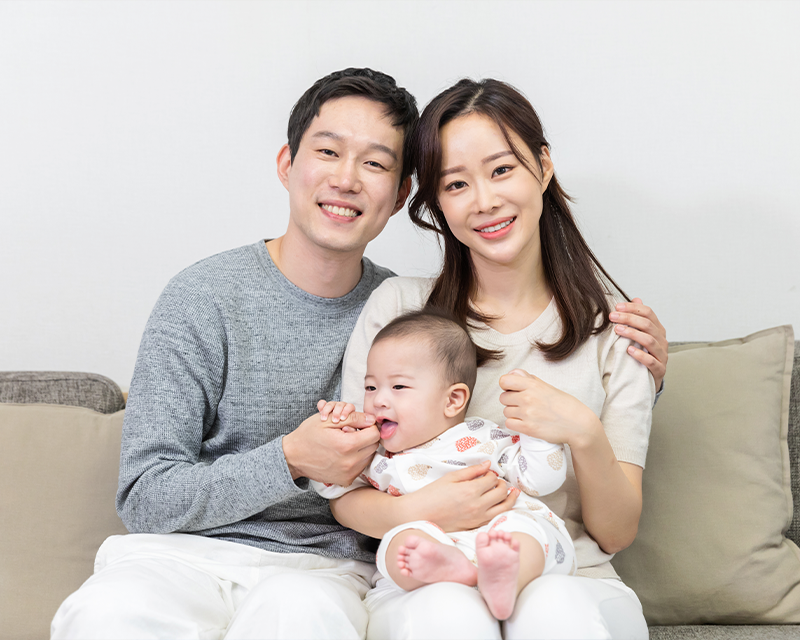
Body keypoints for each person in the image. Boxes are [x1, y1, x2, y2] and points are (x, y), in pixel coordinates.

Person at [50, 68, 667, 639]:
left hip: (362, 573)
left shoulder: (591, 325)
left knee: (541, 611)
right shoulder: (366, 308)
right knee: (113, 615)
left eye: (373, 163)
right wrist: (298, 459)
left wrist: (606, 409)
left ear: (400, 195)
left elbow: (613, 516)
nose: (346, 178)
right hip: (220, 560)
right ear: (287, 162)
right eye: (327, 151)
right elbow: (151, 495)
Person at [332, 78, 659, 639]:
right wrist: (420, 510)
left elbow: (616, 532)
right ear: (436, 203)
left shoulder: (616, 329)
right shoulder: (400, 310)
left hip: (573, 575)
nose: (483, 200)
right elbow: (345, 488)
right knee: (449, 613)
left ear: (544, 166)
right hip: (426, 580)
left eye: (502, 169)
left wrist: (581, 431)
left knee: (554, 607)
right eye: (456, 184)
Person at [313, 309, 576, 621]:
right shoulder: (375, 455)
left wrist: (536, 432)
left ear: (452, 400)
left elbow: (541, 479)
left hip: (500, 530)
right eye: (371, 387)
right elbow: (329, 485)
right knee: (398, 546)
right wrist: (336, 433)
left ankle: (506, 581)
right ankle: (455, 569)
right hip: (435, 545)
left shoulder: (484, 436)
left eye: (398, 387)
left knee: (522, 533)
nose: (379, 400)